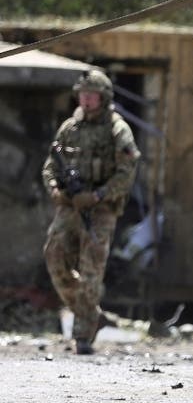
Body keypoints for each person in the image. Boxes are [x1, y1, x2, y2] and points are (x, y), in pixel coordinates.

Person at [42, 69, 141, 355]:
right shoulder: (70, 127)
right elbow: (51, 163)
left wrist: (97, 195)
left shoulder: (116, 128)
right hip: (69, 206)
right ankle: (90, 314)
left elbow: (127, 170)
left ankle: (83, 335)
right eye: (82, 94)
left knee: (90, 271)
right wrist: (55, 189)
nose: (85, 100)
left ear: (103, 97)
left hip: (100, 210)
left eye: (92, 95)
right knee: (54, 257)